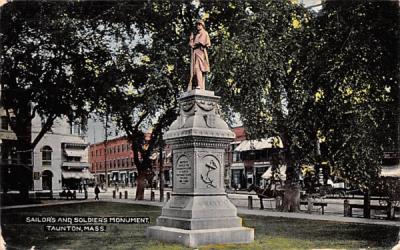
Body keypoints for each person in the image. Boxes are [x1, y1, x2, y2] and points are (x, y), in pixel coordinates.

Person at [188, 20, 211, 91]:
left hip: (200, 53)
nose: (198, 26)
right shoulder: (197, 35)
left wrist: (193, 43)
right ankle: (198, 85)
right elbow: (191, 45)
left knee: (198, 68)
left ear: (202, 25)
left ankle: (200, 86)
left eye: (199, 24)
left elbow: (200, 43)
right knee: (195, 70)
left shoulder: (204, 33)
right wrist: (191, 39)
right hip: (196, 53)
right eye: (197, 25)